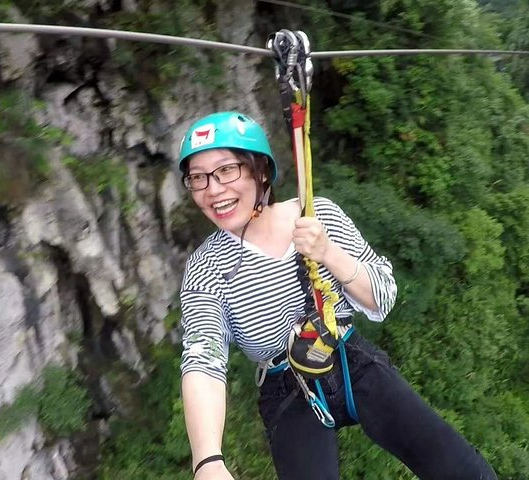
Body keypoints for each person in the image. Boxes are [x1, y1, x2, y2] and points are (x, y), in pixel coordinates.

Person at [177, 111, 497, 480]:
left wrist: (329, 252)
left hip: (350, 358)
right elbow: (204, 358)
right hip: (287, 385)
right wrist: (207, 459)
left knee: (463, 469)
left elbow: (382, 297)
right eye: (198, 178)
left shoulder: (316, 213)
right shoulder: (206, 267)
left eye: (226, 170)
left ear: (260, 171)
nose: (213, 189)